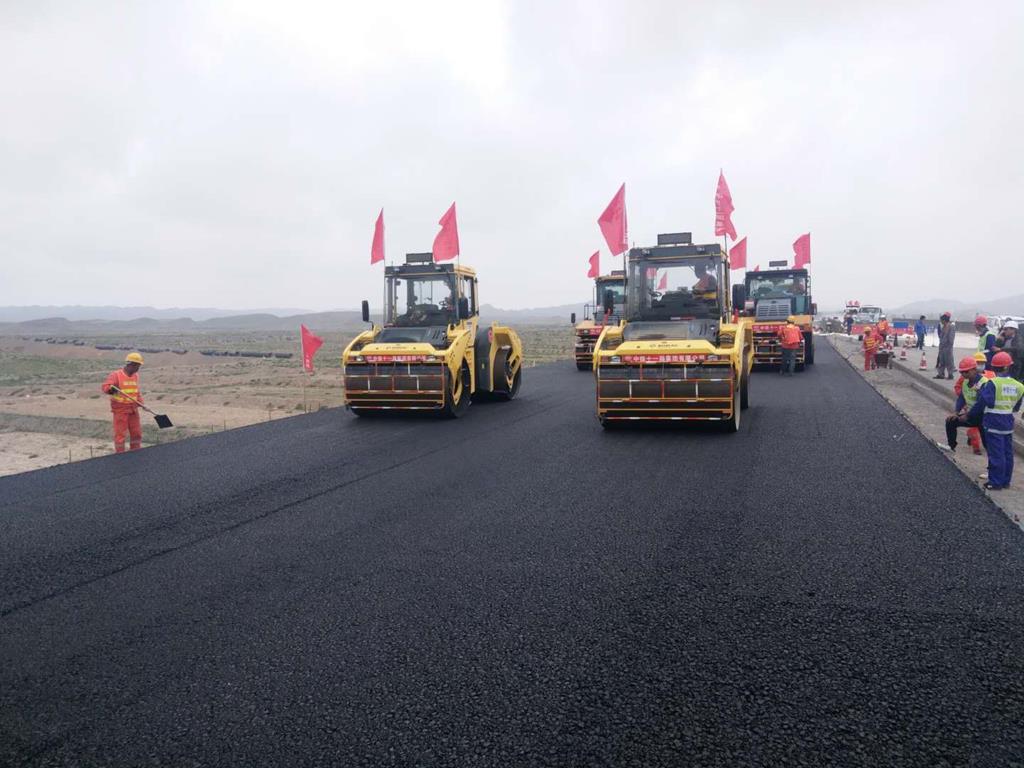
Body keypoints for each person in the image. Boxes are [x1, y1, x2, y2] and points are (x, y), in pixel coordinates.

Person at [967, 351, 1023, 490]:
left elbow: (985, 403)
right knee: (1007, 453)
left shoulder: (992, 384)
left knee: (996, 454)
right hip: (1008, 423)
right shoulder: (1019, 386)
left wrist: (969, 415)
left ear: (993, 367)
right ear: (1008, 366)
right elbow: (1016, 407)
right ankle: (1005, 481)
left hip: (993, 422)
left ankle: (995, 482)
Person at [942, 356, 988, 453]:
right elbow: (962, 398)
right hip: (972, 415)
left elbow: (980, 404)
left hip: (984, 417)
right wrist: (956, 412)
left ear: (974, 370)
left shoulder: (983, 383)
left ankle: (994, 459)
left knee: (987, 444)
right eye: (961, 372)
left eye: (966, 372)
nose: (963, 374)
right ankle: (951, 446)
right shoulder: (965, 382)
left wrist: (967, 415)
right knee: (950, 421)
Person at [101, 352, 145, 453]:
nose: (138, 368)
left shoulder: (135, 376)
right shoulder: (116, 375)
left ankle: (136, 452)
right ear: (131, 364)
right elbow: (105, 387)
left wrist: (142, 403)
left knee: (136, 433)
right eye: (138, 366)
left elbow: (136, 391)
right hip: (120, 409)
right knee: (120, 435)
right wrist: (111, 389)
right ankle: (120, 455)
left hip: (133, 409)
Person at [935, 312, 956, 379]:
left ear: (944, 320)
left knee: (949, 361)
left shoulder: (951, 327)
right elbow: (941, 337)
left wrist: (949, 346)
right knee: (941, 361)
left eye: (941, 320)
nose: (941, 322)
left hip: (948, 347)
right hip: (942, 347)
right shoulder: (943, 327)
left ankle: (950, 375)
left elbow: (951, 338)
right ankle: (941, 374)